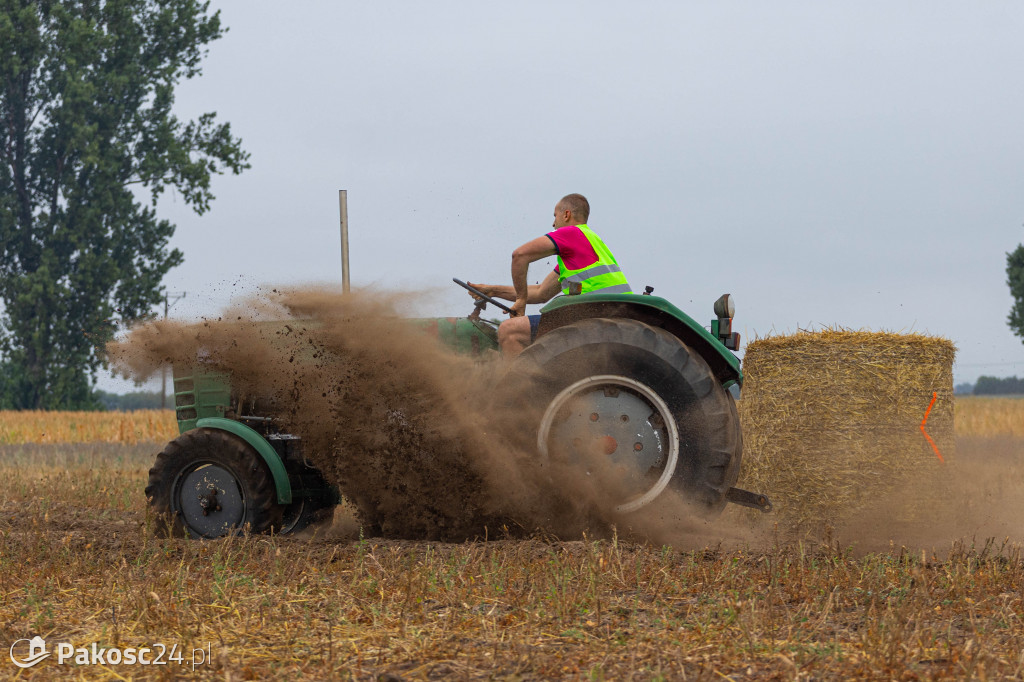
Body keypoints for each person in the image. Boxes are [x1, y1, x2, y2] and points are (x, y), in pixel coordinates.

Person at [469, 193, 632, 358]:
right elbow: (541, 292)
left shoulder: (572, 233)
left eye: (555, 216)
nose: (553, 223)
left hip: (595, 317)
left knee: (510, 331)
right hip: (612, 316)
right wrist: (492, 291)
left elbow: (520, 255)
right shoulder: (591, 243)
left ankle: (523, 384)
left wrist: (520, 301)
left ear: (566, 215)